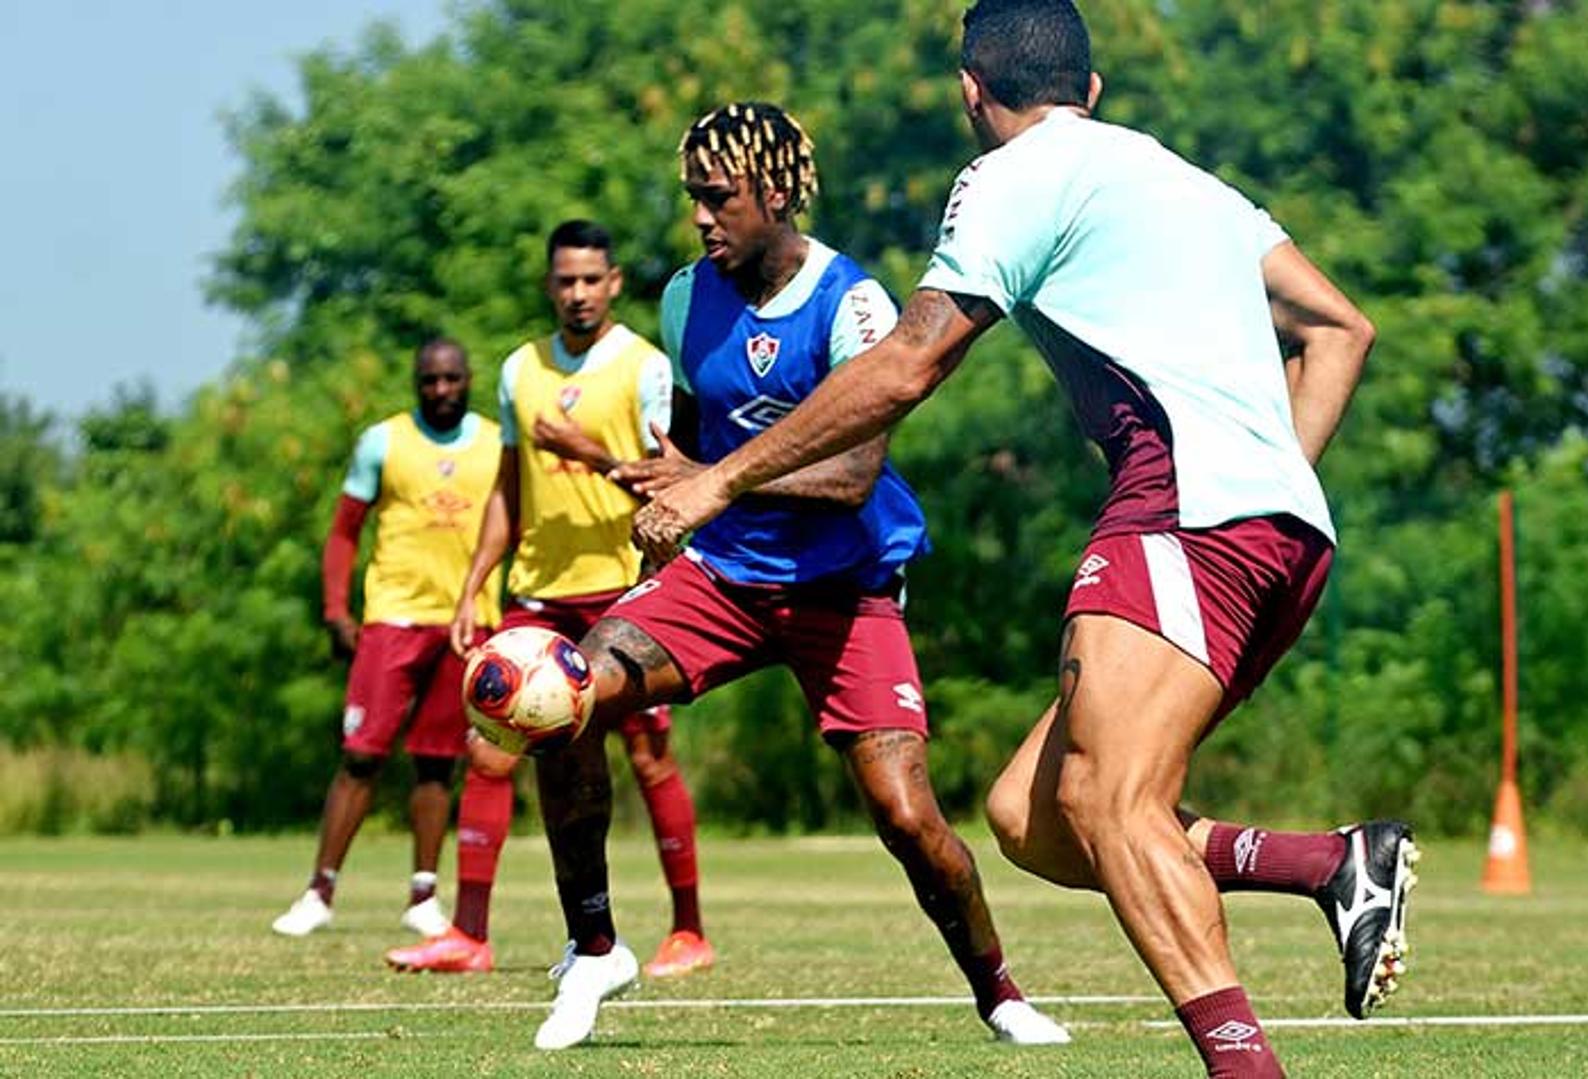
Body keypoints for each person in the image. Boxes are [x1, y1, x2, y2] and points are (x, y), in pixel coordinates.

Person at [628, 5, 1412, 1077]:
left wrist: (715, 480)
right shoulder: (1187, 179)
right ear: (1089, 90)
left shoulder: (1009, 178)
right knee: (1039, 814)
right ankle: (1332, 862)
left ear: (970, 90)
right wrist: (1271, 480)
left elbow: (909, 361)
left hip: (1182, 509)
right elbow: (1340, 328)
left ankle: (1246, 1067)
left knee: (1119, 803)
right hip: (1281, 532)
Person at [520, 102, 1070, 1053]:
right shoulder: (690, 295)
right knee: (564, 695)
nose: (699, 217)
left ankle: (1001, 992)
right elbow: (691, 441)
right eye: (693, 197)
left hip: (844, 588)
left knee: (906, 814)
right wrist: (665, 498)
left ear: (774, 194)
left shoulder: (854, 304)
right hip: (723, 577)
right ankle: (595, 943)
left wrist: (707, 483)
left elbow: (854, 475)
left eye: (717, 197)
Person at [382, 220, 713, 980]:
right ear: (549, 285)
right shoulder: (517, 369)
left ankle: (688, 929)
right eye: (565, 280)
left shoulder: (644, 368)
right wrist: (475, 586)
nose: (577, 293)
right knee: (490, 747)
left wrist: (587, 452)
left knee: (647, 753)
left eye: (591, 279)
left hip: (620, 585)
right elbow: (508, 490)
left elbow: (672, 480)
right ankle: (469, 934)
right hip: (537, 591)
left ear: (615, 283)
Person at [272, 339, 500, 941]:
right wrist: (334, 609)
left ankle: (423, 895)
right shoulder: (384, 440)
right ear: (416, 382)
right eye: (430, 380)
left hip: (465, 622)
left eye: (452, 379)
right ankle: (319, 891)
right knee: (361, 754)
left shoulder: (495, 442)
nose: (441, 390)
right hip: (393, 616)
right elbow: (345, 531)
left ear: (468, 379)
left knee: (437, 762)